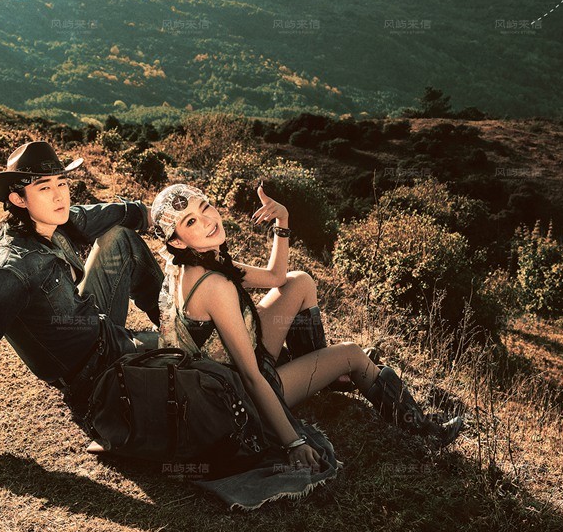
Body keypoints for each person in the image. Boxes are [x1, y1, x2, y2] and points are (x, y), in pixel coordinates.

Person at [150, 183, 464, 474]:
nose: (207, 221)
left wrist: (282, 221)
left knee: (299, 281)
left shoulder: (193, 261)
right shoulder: (213, 285)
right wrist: (294, 443)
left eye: (205, 207)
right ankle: (424, 431)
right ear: (176, 240)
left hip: (227, 367)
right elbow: (250, 375)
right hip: (240, 399)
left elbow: (276, 278)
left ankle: (319, 372)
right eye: (191, 221)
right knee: (352, 354)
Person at [0, 141, 163, 478]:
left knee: (120, 239)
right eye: (44, 188)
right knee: (191, 356)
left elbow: (106, 214)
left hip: (92, 323)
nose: (59, 196)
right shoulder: (11, 270)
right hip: (93, 371)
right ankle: (175, 340)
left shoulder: (51, 220)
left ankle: (171, 322)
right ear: (18, 199)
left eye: (61, 183)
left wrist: (162, 214)